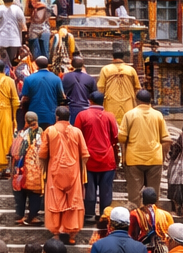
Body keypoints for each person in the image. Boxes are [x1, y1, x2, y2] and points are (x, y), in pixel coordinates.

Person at [38, 104, 90, 243]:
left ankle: (56, 233)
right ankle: (71, 234)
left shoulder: (50, 130)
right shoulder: (77, 132)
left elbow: (42, 153)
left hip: (55, 171)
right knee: (73, 202)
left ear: (56, 117)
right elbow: (85, 154)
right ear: (69, 117)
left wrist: (43, 166)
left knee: (55, 201)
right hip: (73, 172)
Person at [118, 89, 170, 202]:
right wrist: (162, 156)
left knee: (134, 196)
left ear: (137, 101)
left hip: (134, 159)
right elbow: (167, 140)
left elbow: (122, 138)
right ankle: (152, 217)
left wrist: (124, 157)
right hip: (155, 159)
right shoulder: (158, 115)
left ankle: (137, 217)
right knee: (153, 195)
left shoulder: (129, 115)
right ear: (150, 101)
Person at [75, 91, 119, 223]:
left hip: (88, 158)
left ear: (90, 101)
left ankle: (89, 214)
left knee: (89, 188)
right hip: (107, 158)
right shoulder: (110, 116)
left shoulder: (82, 115)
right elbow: (115, 137)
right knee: (106, 189)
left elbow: (77, 136)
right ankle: (105, 215)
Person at [10, 112, 45, 225]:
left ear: (26, 121)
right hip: (36, 169)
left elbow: (14, 152)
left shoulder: (20, 134)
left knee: (20, 192)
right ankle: (33, 216)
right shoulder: (42, 134)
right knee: (35, 192)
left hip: (20, 169)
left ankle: (20, 215)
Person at [97, 43, 140, 124]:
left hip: (111, 101)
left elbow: (101, 87)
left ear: (113, 58)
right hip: (128, 101)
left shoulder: (106, 69)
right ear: (123, 58)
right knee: (128, 123)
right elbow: (137, 87)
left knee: (111, 123)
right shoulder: (131, 70)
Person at [20, 55, 64, 129]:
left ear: (36, 65)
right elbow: (62, 97)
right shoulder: (56, 79)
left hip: (34, 115)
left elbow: (25, 98)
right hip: (51, 115)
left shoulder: (29, 79)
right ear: (47, 65)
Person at [0, 0, 26, 67]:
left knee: (1, 63)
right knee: (11, 63)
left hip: (0, 40)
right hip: (15, 40)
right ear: (13, 0)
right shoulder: (18, 9)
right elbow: (23, 26)